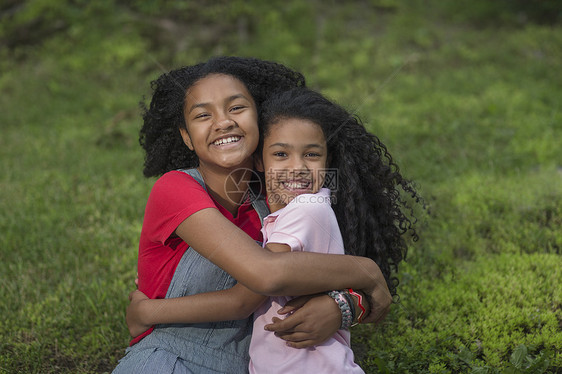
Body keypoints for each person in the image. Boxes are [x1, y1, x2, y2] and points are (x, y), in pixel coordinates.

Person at [113, 56, 410, 374]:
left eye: (237, 108)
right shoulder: (175, 189)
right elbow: (266, 274)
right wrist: (366, 271)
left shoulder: (282, 203)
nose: (223, 122)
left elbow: (322, 266)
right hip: (170, 361)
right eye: (202, 115)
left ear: (259, 119)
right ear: (186, 136)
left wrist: (344, 306)